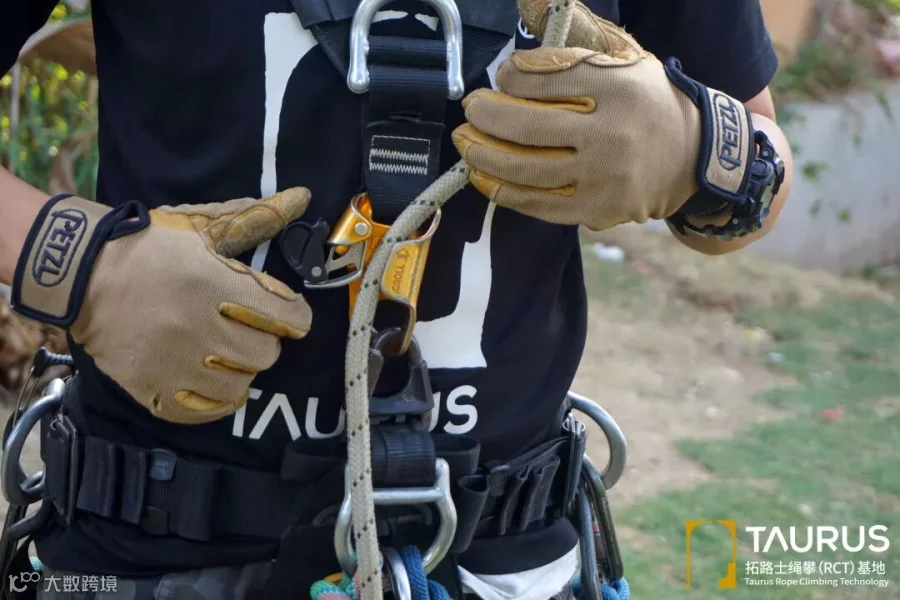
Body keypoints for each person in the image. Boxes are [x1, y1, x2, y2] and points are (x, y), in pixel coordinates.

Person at [0, 0, 793, 598]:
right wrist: (88, 270)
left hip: (512, 560)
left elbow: (760, 147)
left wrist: (699, 151)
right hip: (142, 547)